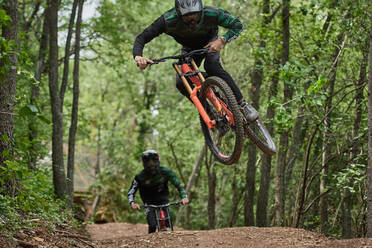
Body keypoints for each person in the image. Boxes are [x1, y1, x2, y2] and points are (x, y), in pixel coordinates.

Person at [133, 0, 259, 122]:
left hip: (210, 43)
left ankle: (243, 105)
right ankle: (211, 114)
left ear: (201, 11)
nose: (192, 20)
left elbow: (238, 25)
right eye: (187, 17)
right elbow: (141, 38)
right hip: (189, 49)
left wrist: (222, 40)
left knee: (212, 66)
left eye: (195, 15)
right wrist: (138, 56)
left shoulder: (211, 13)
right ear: (178, 15)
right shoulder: (167, 20)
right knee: (181, 83)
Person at [128, 150, 189, 233]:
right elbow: (131, 191)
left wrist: (184, 197)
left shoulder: (165, 172)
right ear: (144, 163)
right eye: (148, 161)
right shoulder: (140, 176)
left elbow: (178, 185)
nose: (151, 164)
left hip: (163, 199)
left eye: (153, 160)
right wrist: (132, 203)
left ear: (158, 160)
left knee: (168, 224)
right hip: (149, 202)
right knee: (152, 225)